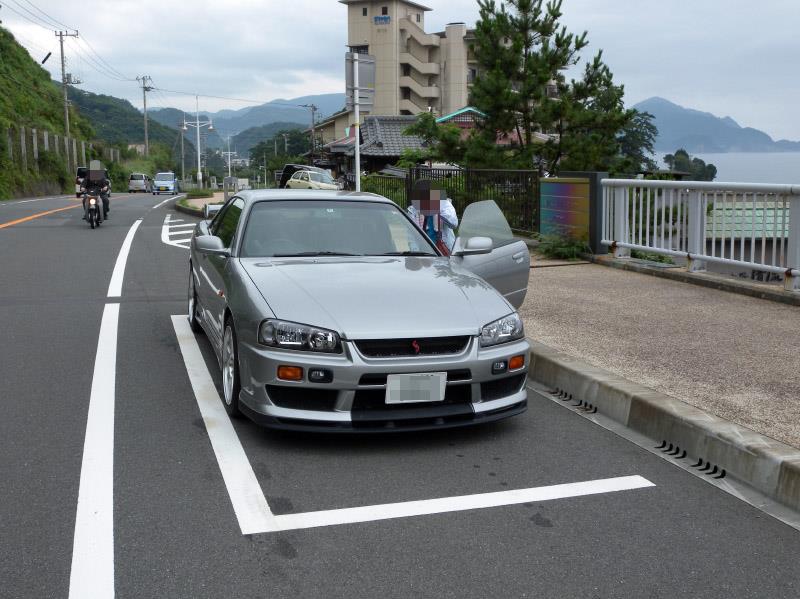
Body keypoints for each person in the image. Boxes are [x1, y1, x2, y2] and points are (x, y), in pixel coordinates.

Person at [407, 181, 459, 254]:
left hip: (442, 250)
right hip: (423, 252)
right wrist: (415, 253)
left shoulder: (444, 204)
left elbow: (454, 223)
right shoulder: (413, 210)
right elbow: (411, 235)